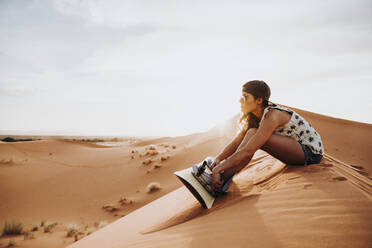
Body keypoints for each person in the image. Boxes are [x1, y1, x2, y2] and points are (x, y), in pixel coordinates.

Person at [210, 80, 324, 191]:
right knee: (250, 134)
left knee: (251, 138)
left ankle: (222, 178)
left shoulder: (272, 115)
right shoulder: (256, 117)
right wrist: (219, 158)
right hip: (295, 150)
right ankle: (223, 177)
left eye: (245, 97)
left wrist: (218, 168)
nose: (240, 100)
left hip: (310, 153)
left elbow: (248, 151)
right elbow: (237, 142)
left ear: (259, 100)